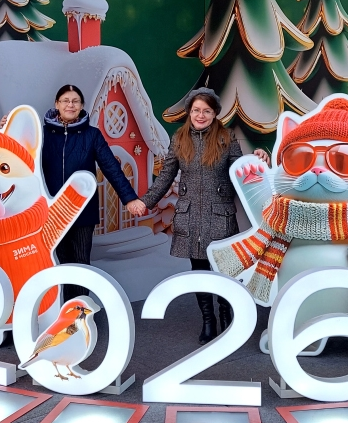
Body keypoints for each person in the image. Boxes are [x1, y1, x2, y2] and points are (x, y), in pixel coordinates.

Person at [130, 87, 270, 344]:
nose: (200, 115)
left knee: (224, 270)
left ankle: (226, 313)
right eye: (196, 110)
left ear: (215, 113)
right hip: (191, 216)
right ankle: (208, 320)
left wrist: (257, 160)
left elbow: (240, 172)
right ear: (189, 112)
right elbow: (165, 177)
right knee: (200, 271)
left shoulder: (226, 138)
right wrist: (145, 201)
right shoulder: (179, 139)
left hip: (220, 215)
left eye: (206, 111)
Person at [29, 84, 144, 302]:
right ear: (56, 104)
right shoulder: (41, 134)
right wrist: (5, 125)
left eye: (75, 101)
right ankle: (63, 313)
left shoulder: (92, 135)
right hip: (51, 211)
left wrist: (129, 199)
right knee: (59, 263)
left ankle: (81, 312)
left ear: (82, 106)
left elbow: (111, 167)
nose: (70, 105)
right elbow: (18, 152)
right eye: (65, 100)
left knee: (81, 261)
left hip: (82, 211)